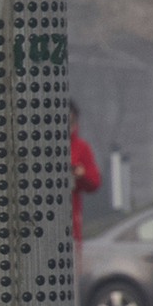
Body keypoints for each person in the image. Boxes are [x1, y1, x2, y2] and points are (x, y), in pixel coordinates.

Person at [68, 105, 102, 250]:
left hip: (71, 225)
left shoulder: (81, 147)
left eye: (70, 120)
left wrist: (81, 175)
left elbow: (94, 182)